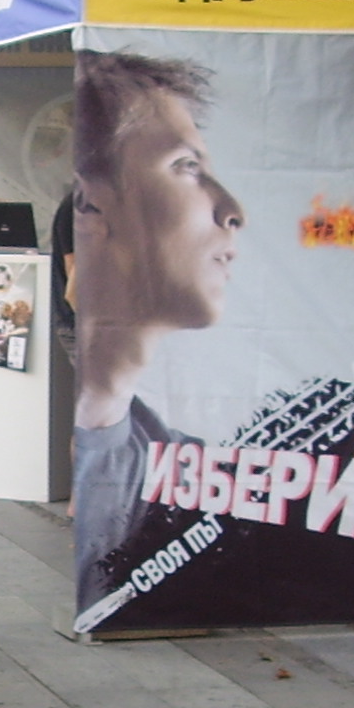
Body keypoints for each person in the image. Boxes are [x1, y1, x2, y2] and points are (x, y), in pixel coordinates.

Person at [67, 52, 244, 597]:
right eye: (187, 167)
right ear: (90, 207)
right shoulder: (141, 455)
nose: (232, 210)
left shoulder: (171, 461)